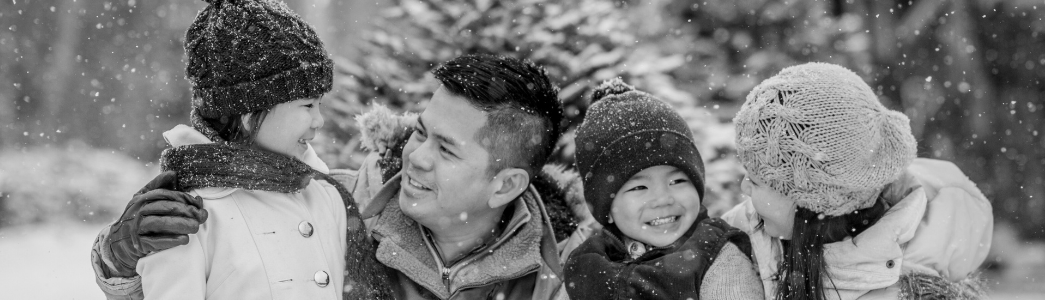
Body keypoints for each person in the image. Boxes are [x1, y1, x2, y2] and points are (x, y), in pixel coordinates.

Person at [91, 54, 570, 300]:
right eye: (421, 133)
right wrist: (120, 264)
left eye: (446, 150)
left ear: (505, 185)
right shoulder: (328, 207)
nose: (416, 158)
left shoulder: (563, 274)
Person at [88, 0, 388, 299]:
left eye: (320, 104)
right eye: (307, 105)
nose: (318, 120)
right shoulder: (187, 216)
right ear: (248, 112)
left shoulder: (327, 196)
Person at [722, 63, 993, 300]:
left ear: (814, 201)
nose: (744, 187)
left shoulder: (905, 289)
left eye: (756, 181)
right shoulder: (742, 239)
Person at [562, 79, 763, 299]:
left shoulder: (716, 256)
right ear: (606, 208)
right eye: (639, 187)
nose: (663, 198)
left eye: (676, 182)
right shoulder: (585, 264)